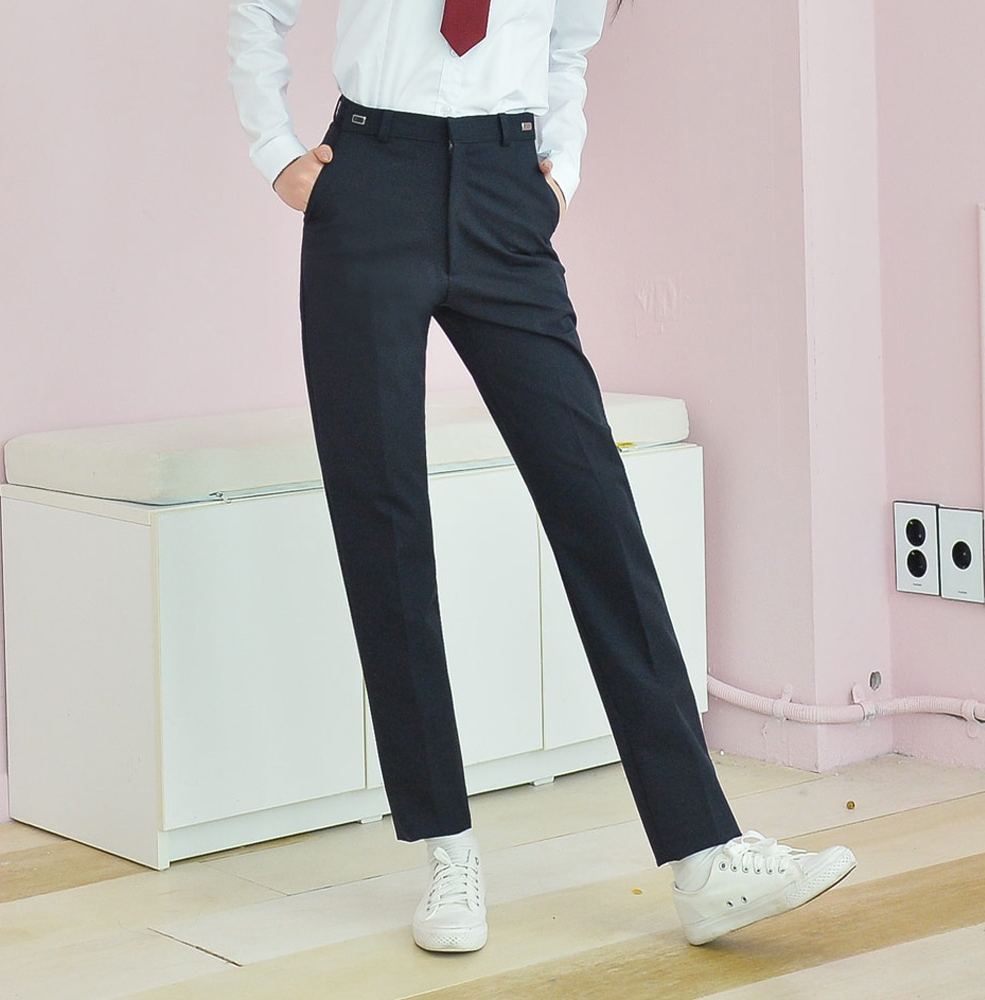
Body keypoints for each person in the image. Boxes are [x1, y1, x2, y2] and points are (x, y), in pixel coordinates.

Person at [226, 0, 856, 954]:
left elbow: (570, 45)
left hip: (504, 186)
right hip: (370, 180)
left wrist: (560, 170)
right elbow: (257, 9)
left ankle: (705, 855)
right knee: (383, 515)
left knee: (593, 500)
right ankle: (446, 847)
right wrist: (277, 152)